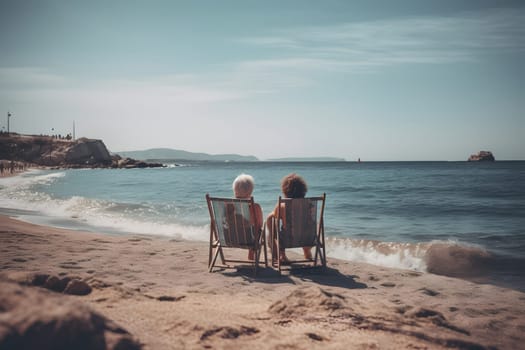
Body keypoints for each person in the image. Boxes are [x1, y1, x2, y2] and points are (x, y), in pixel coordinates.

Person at [266, 173, 313, 264]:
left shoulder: (282, 205)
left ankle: (281, 254)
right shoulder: (309, 205)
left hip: (288, 240)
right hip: (308, 238)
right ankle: (307, 252)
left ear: (285, 190)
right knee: (305, 227)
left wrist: (273, 214)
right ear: (303, 189)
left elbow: (274, 216)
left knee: (269, 219)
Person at [232, 174, 264, 260]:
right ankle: (251, 254)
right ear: (250, 191)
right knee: (257, 229)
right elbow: (260, 225)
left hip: (231, 238)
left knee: (249, 229)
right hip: (249, 240)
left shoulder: (229, 205)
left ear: (234, 190)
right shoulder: (255, 207)